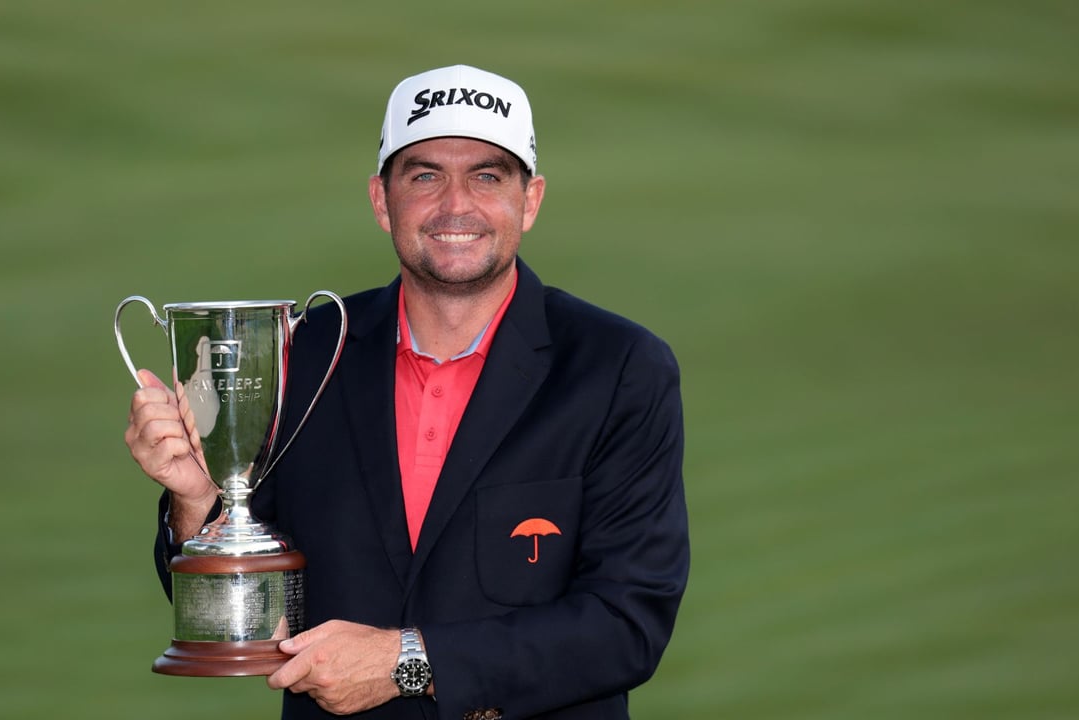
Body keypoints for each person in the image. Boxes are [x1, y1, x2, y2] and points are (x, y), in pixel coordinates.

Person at [125, 64, 689, 720]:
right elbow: (243, 621)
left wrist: (408, 663)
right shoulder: (301, 352)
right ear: (380, 198)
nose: (456, 205)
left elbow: (626, 626)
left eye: (487, 176)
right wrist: (198, 502)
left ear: (530, 200)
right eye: (425, 175)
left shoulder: (617, 368)